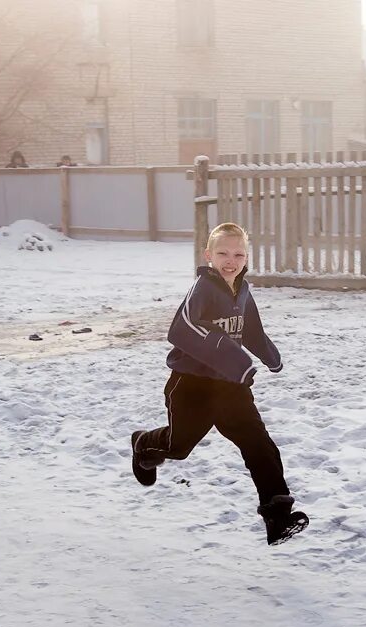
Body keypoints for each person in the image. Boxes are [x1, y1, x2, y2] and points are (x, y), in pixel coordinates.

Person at [130, 222, 309, 545]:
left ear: (247, 256)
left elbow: (251, 330)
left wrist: (271, 357)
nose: (231, 260)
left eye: (239, 253)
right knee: (179, 447)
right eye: (223, 253)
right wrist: (237, 360)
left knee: (259, 444)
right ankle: (145, 443)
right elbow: (182, 329)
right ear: (208, 255)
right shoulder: (202, 289)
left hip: (231, 387)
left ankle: (278, 517)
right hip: (192, 385)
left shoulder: (242, 289)